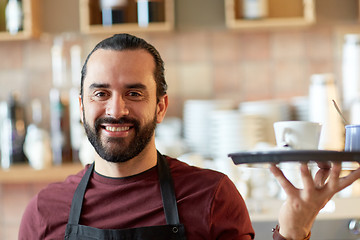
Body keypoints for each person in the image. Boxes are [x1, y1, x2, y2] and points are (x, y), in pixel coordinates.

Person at [19, 33, 360, 240]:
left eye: (135, 93)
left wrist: (293, 229)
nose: (116, 109)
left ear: (161, 106)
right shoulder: (45, 212)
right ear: (81, 105)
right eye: (100, 93)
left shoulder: (211, 197)